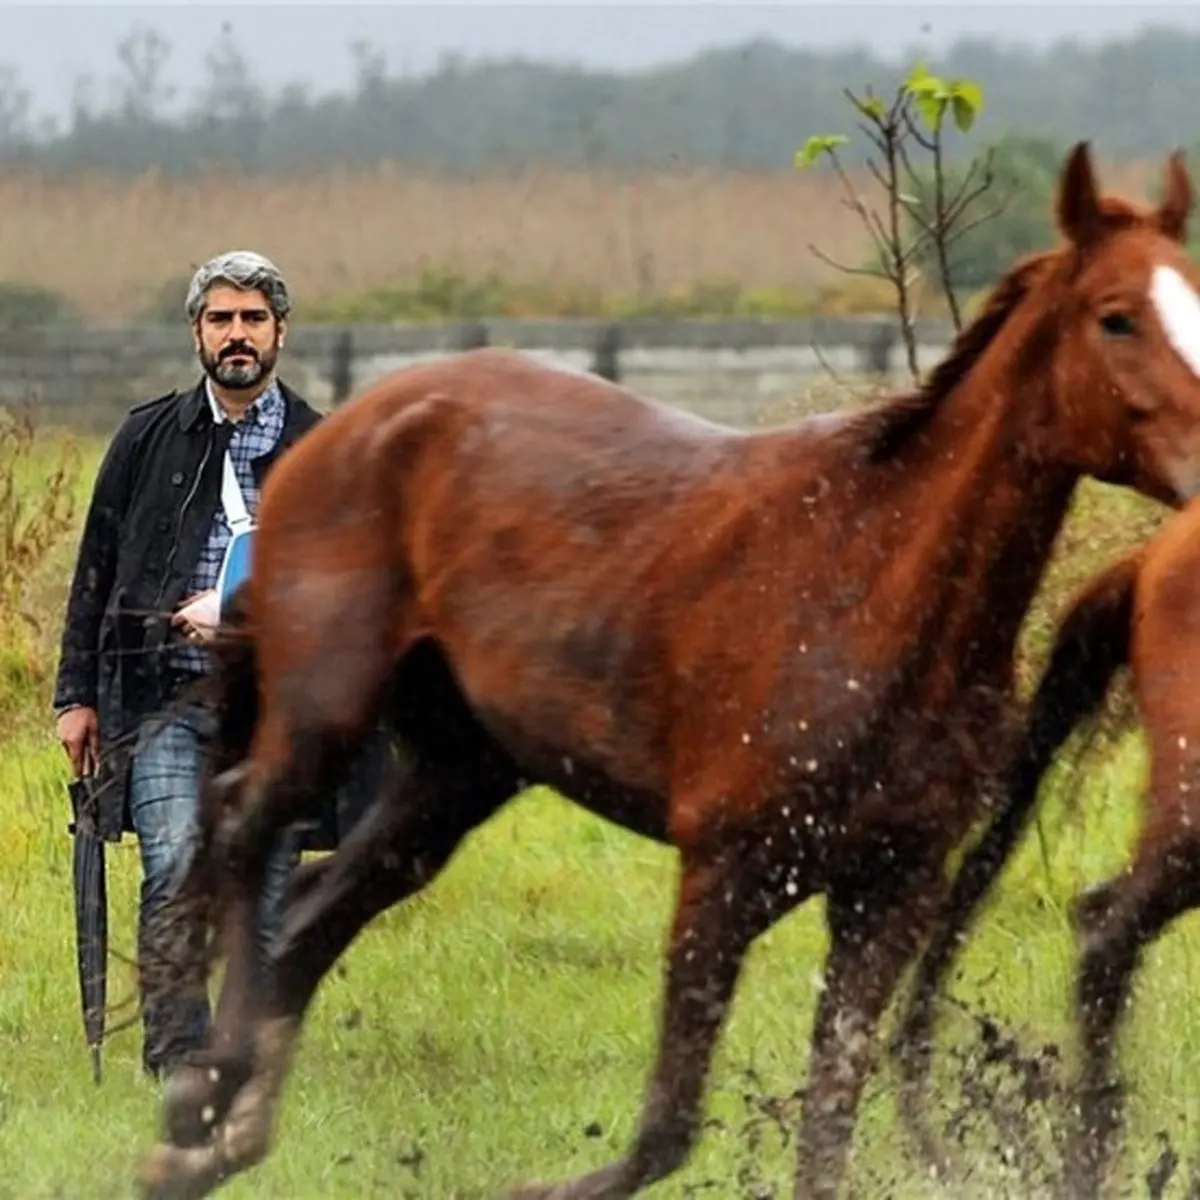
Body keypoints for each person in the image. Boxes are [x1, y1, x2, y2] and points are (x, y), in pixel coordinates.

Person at [52, 249, 385, 1079]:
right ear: (197, 332)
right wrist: (75, 697)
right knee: (174, 865)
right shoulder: (144, 438)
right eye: (221, 319)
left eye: (252, 319)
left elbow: (355, 591)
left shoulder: (326, 450)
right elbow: (96, 568)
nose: (237, 335)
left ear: (279, 332)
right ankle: (176, 1058)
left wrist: (241, 609)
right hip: (162, 695)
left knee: (262, 890)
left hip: (277, 706)